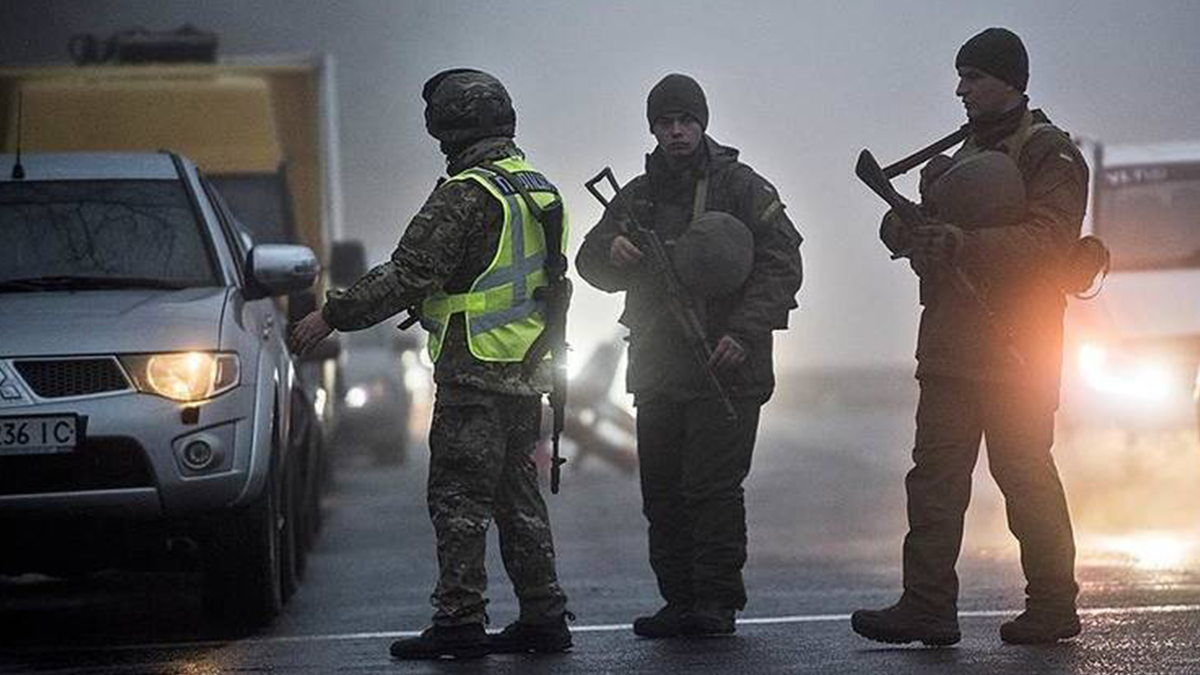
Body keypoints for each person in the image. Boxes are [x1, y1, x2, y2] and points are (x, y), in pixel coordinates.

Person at [289, 68, 571, 660]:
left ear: (447, 125)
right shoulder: (539, 187)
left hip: (473, 372)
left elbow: (408, 273)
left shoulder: (466, 193)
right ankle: (544, 616)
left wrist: (331, 315)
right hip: (526, 369)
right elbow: (505, 278)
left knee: (458, 500)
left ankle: (459, 623)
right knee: (518, 496)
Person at [851, 27, 1089, 646]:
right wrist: (908, 230)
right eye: (960, 76)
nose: (961, 88)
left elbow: (1049, 241)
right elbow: (936, 232)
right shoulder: (961, 158)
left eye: (974, 77)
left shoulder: (1050, 154)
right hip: (951, 346)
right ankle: (927, 606)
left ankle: (1053, 606)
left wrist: (963, 243)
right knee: (934, 480)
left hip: (1017, 347)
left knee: (1024, 475)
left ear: (1011, 81)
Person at [575, 73, 803, 638]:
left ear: (702, 123)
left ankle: (716, 604)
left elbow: (783, 262)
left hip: (727, 365)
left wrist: (744, 332)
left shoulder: (741, 187)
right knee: (663, 491)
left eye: (685, 121)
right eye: (666, 123)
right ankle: (679, 601)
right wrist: (614, 252)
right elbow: (587, 261)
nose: (676, 132)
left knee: (712, 489)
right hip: (658, 366)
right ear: (653, 129)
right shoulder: (638, 194)